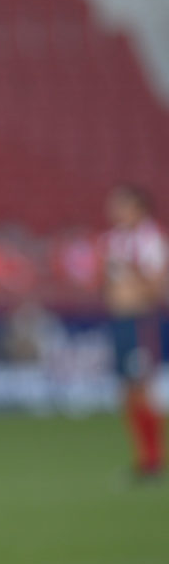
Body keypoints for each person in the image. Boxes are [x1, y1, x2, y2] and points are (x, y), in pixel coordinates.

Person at [100, 184, 167, 479]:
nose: (115, 211)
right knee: (127, 390)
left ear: (139, 209)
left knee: (143, 388)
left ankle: (153, 460)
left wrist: (131, 268)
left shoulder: (150, 241)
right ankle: (144, 458)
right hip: (121, 320)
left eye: (122, 205)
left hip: (143, 320)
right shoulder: (113, 241)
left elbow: (155, 288)